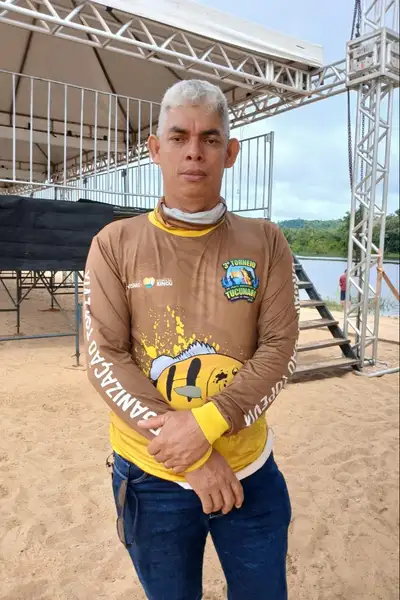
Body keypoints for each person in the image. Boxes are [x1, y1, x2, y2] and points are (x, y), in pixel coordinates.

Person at [84, 79, 300, 600]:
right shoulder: (114, 243)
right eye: (179, 137)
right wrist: (196, 458)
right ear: (156, 149)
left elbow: (280, 349)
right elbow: (105, 357)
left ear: (231, 153)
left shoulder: (266, 241)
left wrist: (207, 424)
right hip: (151, 476)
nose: (194, 152)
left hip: (250, 470)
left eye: (209, 138)